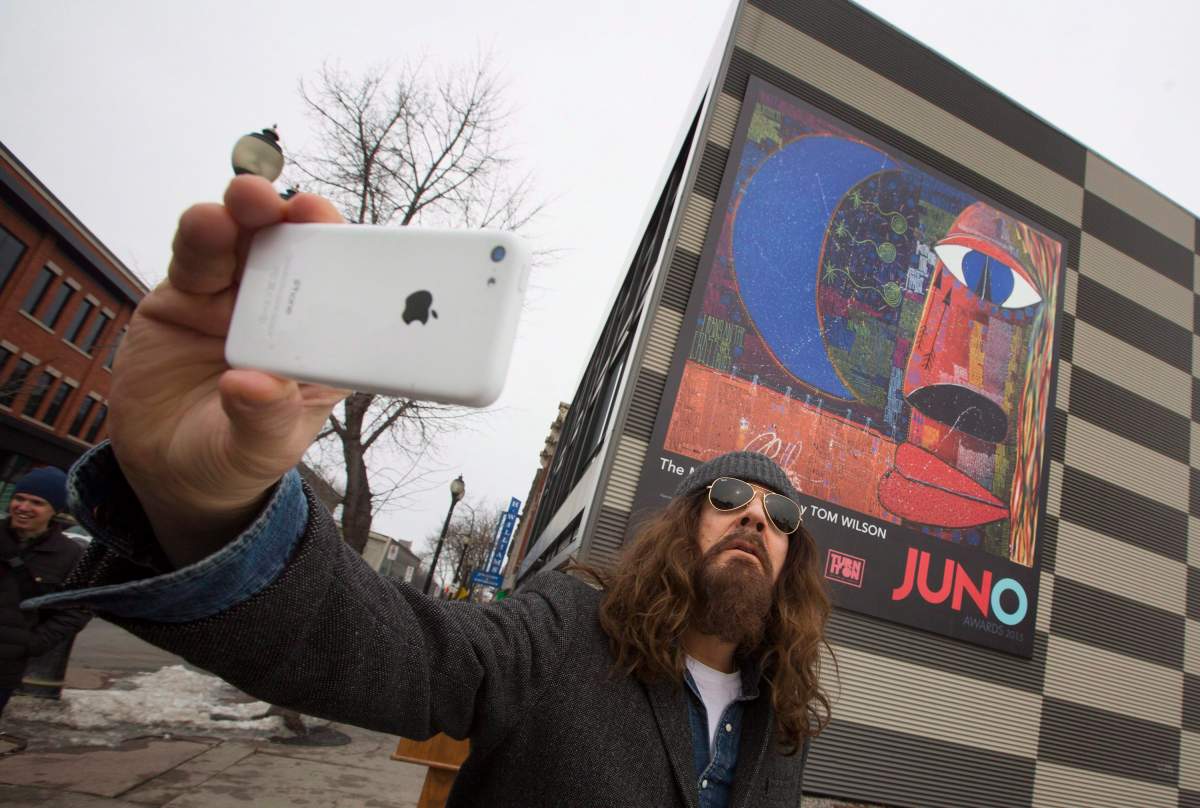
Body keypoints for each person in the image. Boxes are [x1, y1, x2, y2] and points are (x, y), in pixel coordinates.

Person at [28, 176, 832, 807]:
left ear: (792, 556)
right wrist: (207, 504)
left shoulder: (781, 721)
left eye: (780, 517)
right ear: (682, 525)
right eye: (729, 499)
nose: (755, 519)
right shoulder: (569, 634)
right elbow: (401, 654)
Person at [1, 468, 91, 720]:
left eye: (37, 502)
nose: (23, 507)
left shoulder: (69, 556)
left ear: (55, 510)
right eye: (19, 498)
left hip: (6, 665)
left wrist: (33, 643)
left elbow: (77, 609)